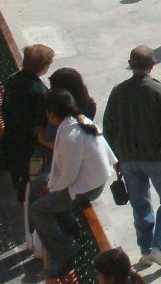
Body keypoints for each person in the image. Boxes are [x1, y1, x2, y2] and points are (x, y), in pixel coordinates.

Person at [103, 46, 161, 270]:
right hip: (158, 158)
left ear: (131, 64)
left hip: (129, 160)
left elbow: (109, 128)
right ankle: (159, 248)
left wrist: (116, 158)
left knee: (140, 206)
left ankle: (145, 251)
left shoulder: (118, 92)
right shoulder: (159, 91)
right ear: (153, 64)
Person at [29, 90, 115, 279]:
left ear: (52, 113)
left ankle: (66, 250)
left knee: (37, 210)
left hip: (87, 188)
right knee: (37, 185)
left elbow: (68, 175)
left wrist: (51, 188)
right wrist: (49, 185)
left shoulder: (71, 135)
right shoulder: (79, 121)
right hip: (84, 179)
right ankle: (59, 228)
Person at [0, 44, 54, 201]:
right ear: (43, 67)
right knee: (29, 182)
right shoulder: (40, 92)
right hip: (30, 147)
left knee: (16, 177)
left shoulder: (12, 80)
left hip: (9, 140)